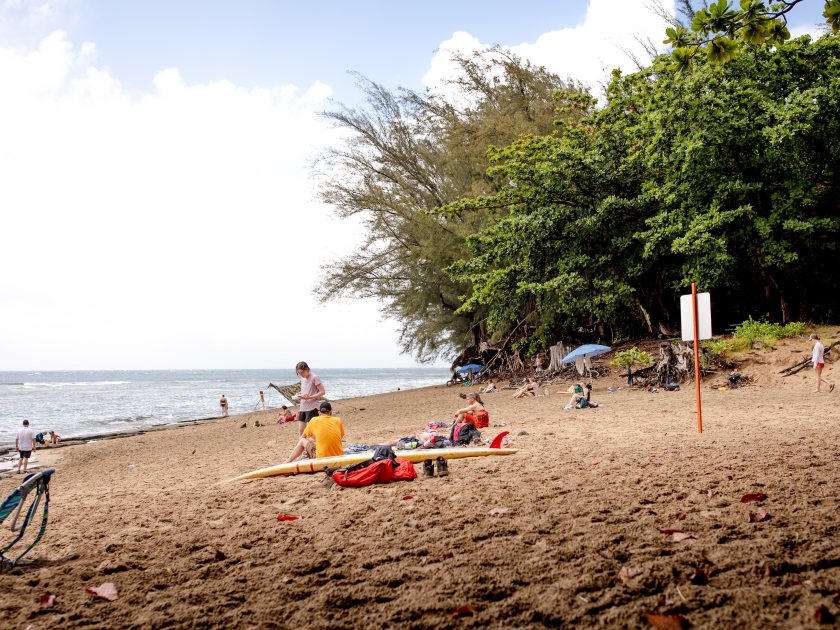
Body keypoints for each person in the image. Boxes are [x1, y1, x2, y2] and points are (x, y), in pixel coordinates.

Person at [293, 361, 325, 436]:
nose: (301, 375)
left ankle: (318, 447)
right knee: (301, 431)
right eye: (299, 373)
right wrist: (299, 394)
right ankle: (302, 447)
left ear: (307, 369)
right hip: (303, 407)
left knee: (312, 432)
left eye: (302, 373)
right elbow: (304, 389)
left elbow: (322, 392)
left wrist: (310, 397)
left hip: (312, 407)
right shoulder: (302, 378)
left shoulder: (314, 377)